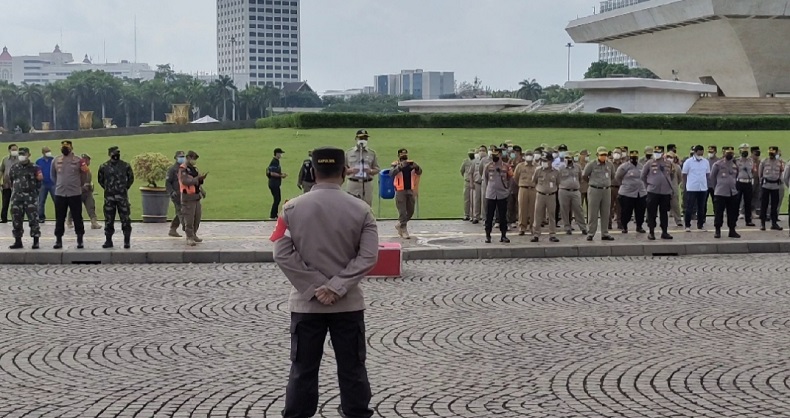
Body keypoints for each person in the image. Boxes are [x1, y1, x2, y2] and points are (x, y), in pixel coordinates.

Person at [272, 146, 378, 418]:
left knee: (302, 369)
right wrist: (336, 286)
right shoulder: (362, 209)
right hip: (347, 304)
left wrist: (315, 286)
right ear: (344, 172)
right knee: (353, 369)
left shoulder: (290, 209)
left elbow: (281, 253)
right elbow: (368, 257)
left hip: (307, 305)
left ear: (313, 172)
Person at [51, 140, 89, 249]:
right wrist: (59, 184)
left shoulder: (78, 161)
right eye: (63, 146)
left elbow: (84, 175)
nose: (65, 148)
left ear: (71, 148)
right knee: (59, 218)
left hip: (74, 193)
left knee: (77, 217)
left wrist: (79, 185)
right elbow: (53, 176)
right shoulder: (56, 160)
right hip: (60, 193)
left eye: (67, 146)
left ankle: (80, 239)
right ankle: (58, 240)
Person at [97, 146, 135, 249]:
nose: (116, 155)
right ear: (109, 154)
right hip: (109, 198)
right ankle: (108, 240)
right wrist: (108, 188)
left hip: (122, 198)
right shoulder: (104, 167)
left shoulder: (125, 166)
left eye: (117, 153)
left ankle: (127, 241)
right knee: (109, 220)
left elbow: (131, 178)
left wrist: (124, 188)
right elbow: (100, 180)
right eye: (114, 153)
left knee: (125, 219)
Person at [8, 148, 42, 249]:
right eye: (20, 154)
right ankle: (18, 241)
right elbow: (11, 180)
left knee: (33, 219)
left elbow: (39, 181)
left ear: (29, 155)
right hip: (17, 198)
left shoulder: (35, 168)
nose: (21, 156)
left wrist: (33, 192)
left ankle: (36, 241)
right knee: (16, 220)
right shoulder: (14, 167)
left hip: (30, 198)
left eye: (24, 154)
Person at [583, 147, 615, 241]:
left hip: (606, 190)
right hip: (594, 189)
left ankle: (605, 233)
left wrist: (605, 183)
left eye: (605, 155)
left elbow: (612, 176)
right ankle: (591, 233)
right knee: (593, 212)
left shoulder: (610, 165)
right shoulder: (591, 164)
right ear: (597, 155)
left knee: (605, 212)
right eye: (601, 155)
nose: (603, 157)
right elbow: (584, 175)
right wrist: (592, 182)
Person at [642, 145, 674, 240]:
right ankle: (651, 232)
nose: (657, 154)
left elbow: (671, 176)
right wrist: (648, 186)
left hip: (665, 192)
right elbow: (643, 176)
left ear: (663, 153)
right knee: (651, 212)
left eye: (659, 152)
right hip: (653, 191)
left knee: (664, 212)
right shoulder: (649, 163)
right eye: (655, 152)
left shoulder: (668, 163)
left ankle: (664, 231)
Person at [390, 148, 422, 239]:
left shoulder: (411, 164)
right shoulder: (395, 164)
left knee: (411, 210)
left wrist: (416, 167)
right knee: (402, 211)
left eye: (405, 154)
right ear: (399, 155)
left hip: (410, 189)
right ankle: (404, 229)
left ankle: (400, 224)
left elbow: (419, 172)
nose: (404, 156)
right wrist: (399, 167)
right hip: (400, 190)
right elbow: (391, 174)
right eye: (402, 154)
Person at [710, 147, 741, 239]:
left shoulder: (735, 165)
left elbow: (736, 176)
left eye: (731, 153)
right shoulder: (718, 164)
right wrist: (717, 187)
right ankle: (717, 230)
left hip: (732, 192)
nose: (729, 155)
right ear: (724, 153)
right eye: (728, 153)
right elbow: (712, 177)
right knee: (719, 212)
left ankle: (732, 230)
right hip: (720, 192)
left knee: (733, 213)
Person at [483, 148, 512, 244]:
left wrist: (508, 190)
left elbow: (510, 178)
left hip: (502, 194)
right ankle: (488, 235)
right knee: (489, 216)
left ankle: (503, 235)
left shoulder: (506, 166)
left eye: (496, 155)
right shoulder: (488, 166)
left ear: (500, 155)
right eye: (493, 156)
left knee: (503, 216)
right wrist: (488, 190)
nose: (494, 157)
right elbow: (485, 179)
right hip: (491, 194)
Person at [66, 153, 102, 230]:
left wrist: (90, 186)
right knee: (74, 207)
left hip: (87, 192)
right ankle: (69, 221)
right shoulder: (76, 170)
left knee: (91, 206)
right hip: (78, 192)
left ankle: (94, 222)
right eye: (88, 160)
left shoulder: (87, 170)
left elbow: (89, 180)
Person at [531, 153, 561, 243]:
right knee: (538, 215)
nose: (543, 162)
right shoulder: (538, 170)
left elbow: (558, 183)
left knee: (551, 215)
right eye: (543, 161)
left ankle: (552, 234)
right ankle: (536, 234)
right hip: (540, 194)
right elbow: (534, 180)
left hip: (551, 195)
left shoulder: (556, 171)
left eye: (545, 161)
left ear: (551, 161)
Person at [179, 150, 207, 246]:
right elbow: (185, 181)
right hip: (188, 197)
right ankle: (189, 237)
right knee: (189, 219)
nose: (194, 161)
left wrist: (201, 187)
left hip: (196, 196)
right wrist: (197, 179)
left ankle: (194, 234)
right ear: (188, 158)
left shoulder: (194, 169)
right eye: (193, 159)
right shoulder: (183, 169)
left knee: (197, 217)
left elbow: (197, 183)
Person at [615, 149, 647, 234]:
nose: (634, 159)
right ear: (630, 157)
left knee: (640, 211)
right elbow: (618, 177)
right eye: (633, 157)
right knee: (626, 211)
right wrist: (625, 185)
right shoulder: (624, 167)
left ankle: (639, 226)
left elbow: (644, 177)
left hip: (640, 192)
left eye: (636, 157)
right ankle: (624, 226)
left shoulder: (641, 166)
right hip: (627, 193)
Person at [345, 129, 380, 206]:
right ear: (356, 139)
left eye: (365, 138)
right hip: (353, 183)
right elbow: (342, 169)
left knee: (367, 206)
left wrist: (370, 171)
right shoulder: (349, 153)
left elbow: (377, 169)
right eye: (361, 138)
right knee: (351, 206)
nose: (363, 140)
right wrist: (351, 170)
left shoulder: (371, 153)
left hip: (367, 183)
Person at [682, 145, 710, 232]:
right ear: (695, 152)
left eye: (702, 152)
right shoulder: (688, 162)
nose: (701, 154)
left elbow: (707, 174)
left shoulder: (705, 162)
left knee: (701, 207)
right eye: (699, 152)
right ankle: (687, 225)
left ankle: (700, 225)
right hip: (692, 188)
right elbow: (684, 174)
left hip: (702, 188)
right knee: (689, 207)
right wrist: (685, 184)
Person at [558, 151, 587, 236]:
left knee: (578, 209)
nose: (568, 159)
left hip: (575, 191)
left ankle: (583, 227)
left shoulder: (577, 167)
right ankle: (567, 227)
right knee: (564, 210)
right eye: (566, 158)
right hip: (563, 190)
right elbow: (557, 178)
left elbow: (581, 178)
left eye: (569, 158)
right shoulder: (560, 167)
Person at [514, 148, 539, 236]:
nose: (529, 157)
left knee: (533, 209)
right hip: (523, 188)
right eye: (527, 155)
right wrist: (521, 184)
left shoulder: (537, 166)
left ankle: (532, 227)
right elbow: (515, 178)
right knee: (522, 208)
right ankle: (522, 227)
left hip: (533, 189)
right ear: (524, 157)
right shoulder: (520, 166)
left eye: (530, 155)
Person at [759, 146, 784, 231]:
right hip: (766, 185)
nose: (771, 155)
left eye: (773, 153)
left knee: (774, 206)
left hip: (775, 186)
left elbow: (781, 172)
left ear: (776, 153)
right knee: (764, 205)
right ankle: (762, 223)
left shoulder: (780, 162)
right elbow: (760, 173)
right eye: (770, 153)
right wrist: (761, 181)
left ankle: (774, 223)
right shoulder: (764, 161)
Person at [166, 151, 186, 237]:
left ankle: (173, 229)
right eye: (180, 157)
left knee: (180, 212)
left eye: (183, 156)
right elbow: (167, 182)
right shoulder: (172, 169)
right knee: (181, 211)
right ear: (176, 158)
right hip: (176, 195)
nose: (182, 158)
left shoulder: (185, 168)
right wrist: (171, 192)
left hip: (185, 194)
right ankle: (187, 229)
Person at [736, 144, 756, 227]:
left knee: (748, 202)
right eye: (743, 151)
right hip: (739, 182)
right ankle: (734, 220)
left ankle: (748, 220)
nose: (745, 152)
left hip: (748, 182)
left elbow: (753, 171)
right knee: (736, 202)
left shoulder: (751, 161)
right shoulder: (737, 160)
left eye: (746, 151)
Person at [0, 143, 19, 223]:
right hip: (6, 185)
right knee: (5, 202)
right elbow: (1, 170)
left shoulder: (19, 160)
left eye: (16, 149)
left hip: (17, 185)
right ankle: (3, 218)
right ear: (9, 150)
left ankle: (16, 218)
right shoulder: (5, 160)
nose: (15, 151)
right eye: (13, 149)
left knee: (16, 203)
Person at [36, 146, 55, 223]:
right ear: (43, 152)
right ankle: (41, 217)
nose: (48, 152)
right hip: (43, 184)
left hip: (53, 183)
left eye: (49, 151)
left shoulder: (53, 160)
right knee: (41, 201)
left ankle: (59, 216)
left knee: (57, 201)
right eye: (47, 151)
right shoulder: (39, 161)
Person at [267, 148, 287, 219]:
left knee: (277, 198)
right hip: (274, 183)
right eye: (280, 153)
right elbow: (272, 173)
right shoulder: (274, 162)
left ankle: (275, 214)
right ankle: (273, 215)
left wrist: (281, 174)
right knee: (277, 199)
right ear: (277, 154)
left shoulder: (276, 161)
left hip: (275, 183)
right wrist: (281, 176)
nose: (281, 155)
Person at [473, 145, 490, 224]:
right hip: (477, 182)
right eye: (480, 150)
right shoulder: (475, 161)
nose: (481, 152)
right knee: (477, 200)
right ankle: (476, 216)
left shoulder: (488, 160)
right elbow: (478, 170)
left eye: (483, 150)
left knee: (485, 200)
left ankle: (485, 217)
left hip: (486, 182)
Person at [666, 151, 684, 227]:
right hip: (664, 189)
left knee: (675, 206)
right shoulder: (663, 166)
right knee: (663, 207)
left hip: (674, 189)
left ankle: (678, 220)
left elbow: (680, 178)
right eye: (667, 157)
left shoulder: (677, 167)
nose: (669, 159)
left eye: (671, 157)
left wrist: (675, 185)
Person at [461, 148, 476, 221]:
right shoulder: (465, 161)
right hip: (467, 182)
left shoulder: (476, 161)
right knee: (467, 199)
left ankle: (473, 215)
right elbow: (461, 171)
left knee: (474, 200)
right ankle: (466, 214)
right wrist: (466, 177)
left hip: (474, 182)